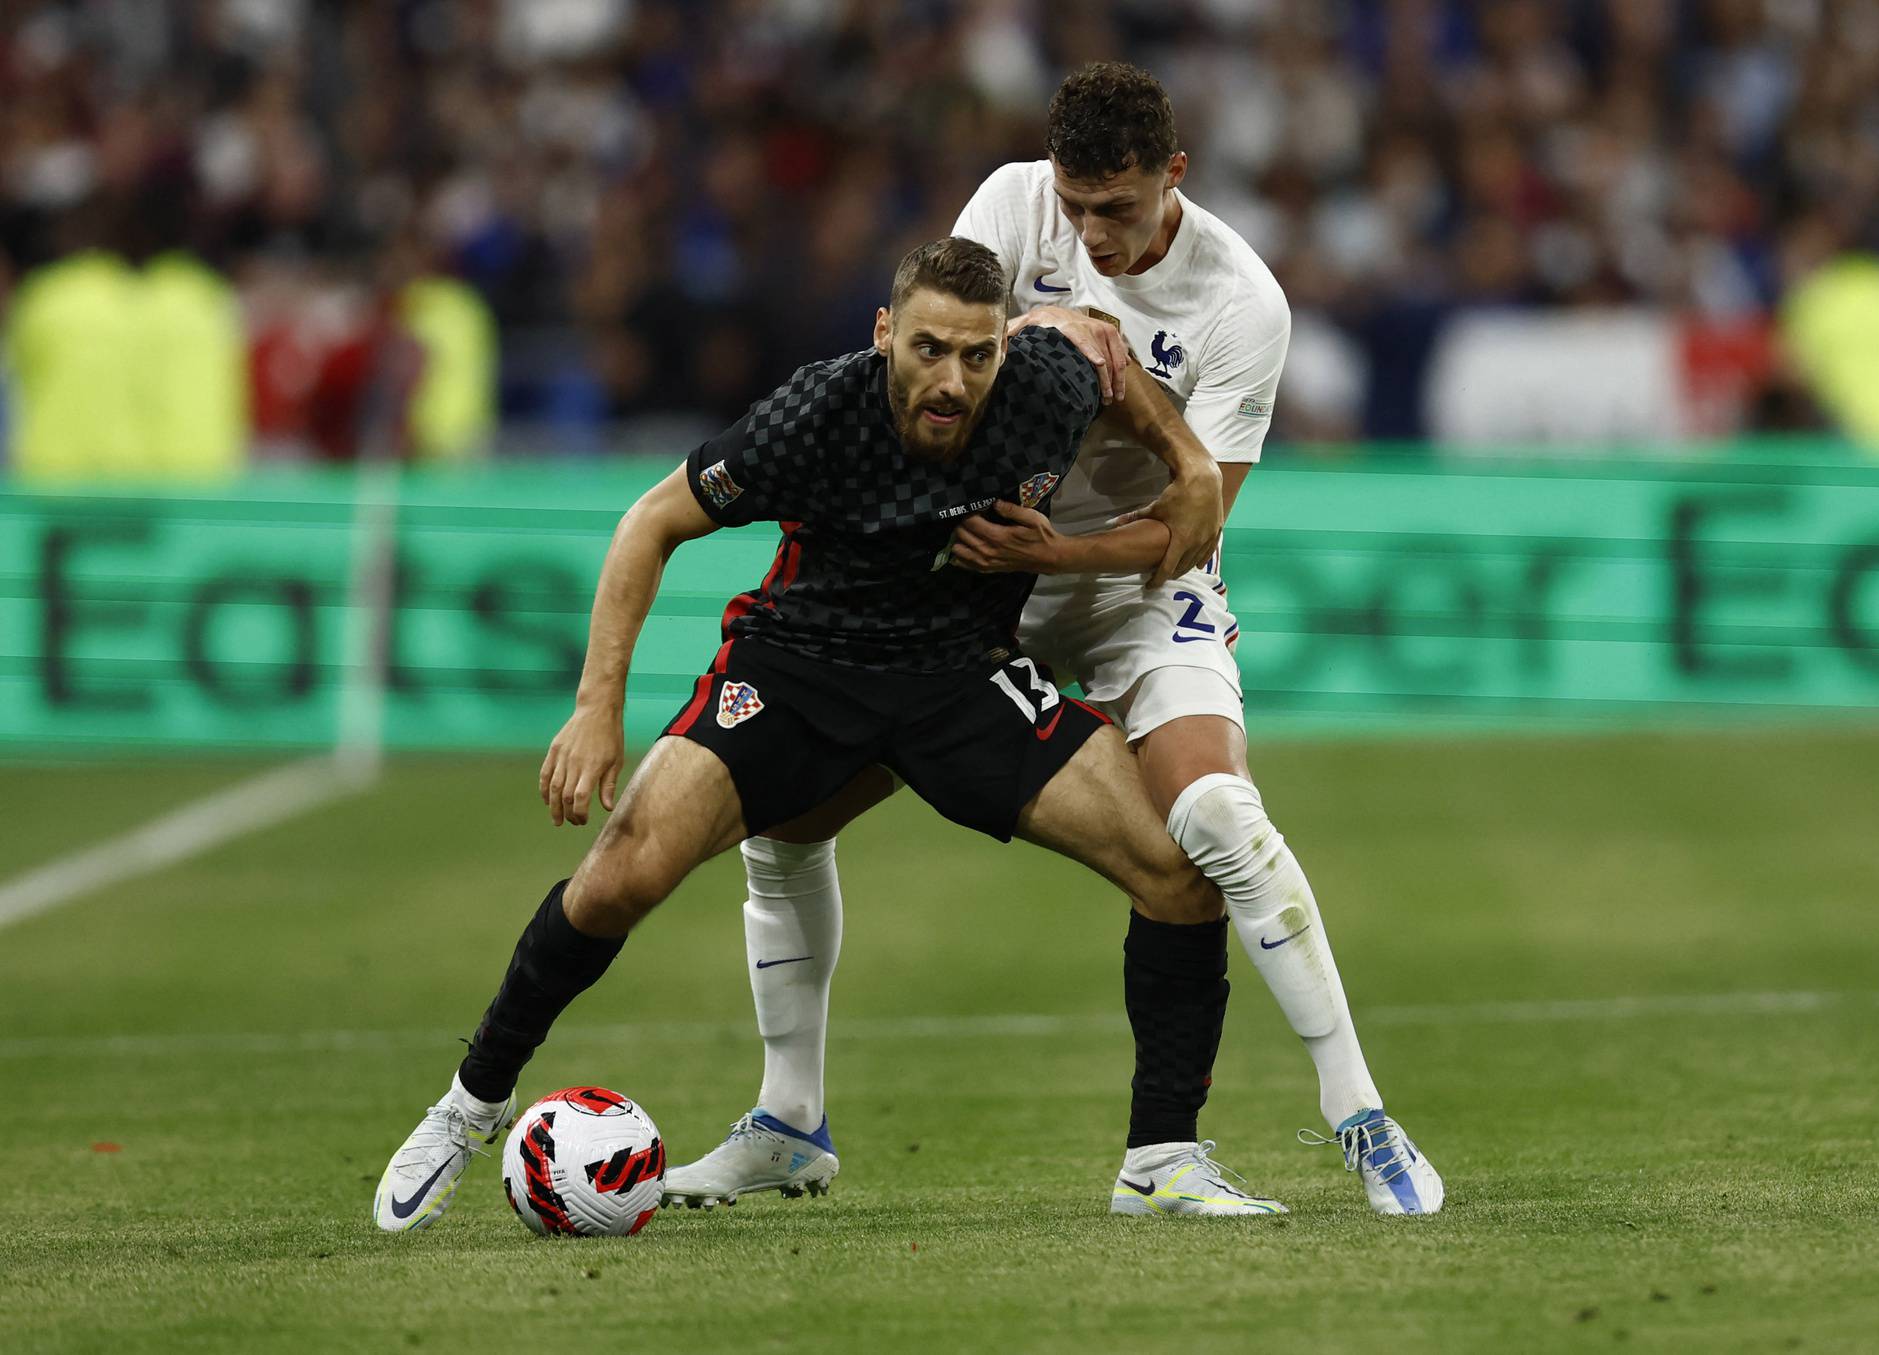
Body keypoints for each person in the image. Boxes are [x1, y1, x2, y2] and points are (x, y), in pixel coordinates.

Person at [668, 63, 1444, 1217]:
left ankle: (1358, 1114)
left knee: (1217, 817)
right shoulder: (1010, 203)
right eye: (1076, 208)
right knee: (781, 825)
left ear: (1173, 175)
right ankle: (789, 1120)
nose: (1091, 234)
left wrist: (1061, 549)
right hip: (979, 595)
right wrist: (1044, 332)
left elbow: (1192, 524)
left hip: (1127, 589)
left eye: (1117, 210)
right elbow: (938, 362)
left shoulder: (1243, 302)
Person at [373, 235, 1250, 1233]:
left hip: (958, 674)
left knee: (1180, 873)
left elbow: (1120, 382)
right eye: (927, 350)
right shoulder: (814, 413)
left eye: (976, 354)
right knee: (620, 872)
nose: (952, 380)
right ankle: (469, 1103)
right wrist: (594, 704)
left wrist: (1186, 462)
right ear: (885, 336)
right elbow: (650, 521)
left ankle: (1162, 1154)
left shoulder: (1044, 386)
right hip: (800, 665)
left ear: (1005, 348)